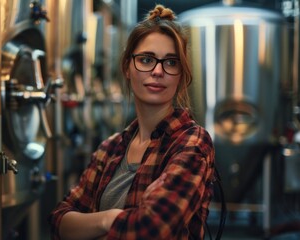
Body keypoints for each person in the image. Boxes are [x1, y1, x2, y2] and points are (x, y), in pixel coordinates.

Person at [48, 4, 216, 240]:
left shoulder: (191, 141)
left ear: (181, 75)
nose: (158, 71)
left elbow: (150, 229)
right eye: (146, 60)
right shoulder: (110, 148)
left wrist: (98, 222)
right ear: (128, 67)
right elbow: (59, 219)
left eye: (170, 62)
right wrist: (108, 218)